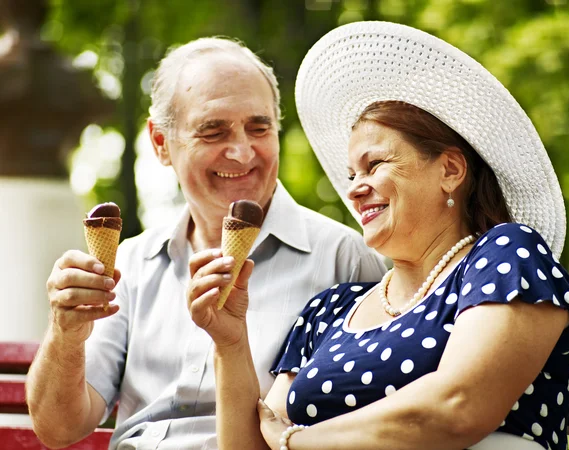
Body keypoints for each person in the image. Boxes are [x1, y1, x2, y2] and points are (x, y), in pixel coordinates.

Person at [190, 22, 569, 450]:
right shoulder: (329, 310)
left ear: (450, 170)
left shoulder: (506, 255)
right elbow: (253, 447)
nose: (354, 187)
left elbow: (458, 408)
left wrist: (299, 442)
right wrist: (230, 339)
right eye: (352, 174)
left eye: (375, 165)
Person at [25, 37, 386, 449]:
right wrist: (64, 333)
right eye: (213, 131)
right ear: (161, 144)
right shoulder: (131, 263)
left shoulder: (346, 260)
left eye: (259, 127)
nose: (241, 151)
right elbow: (58, 429)